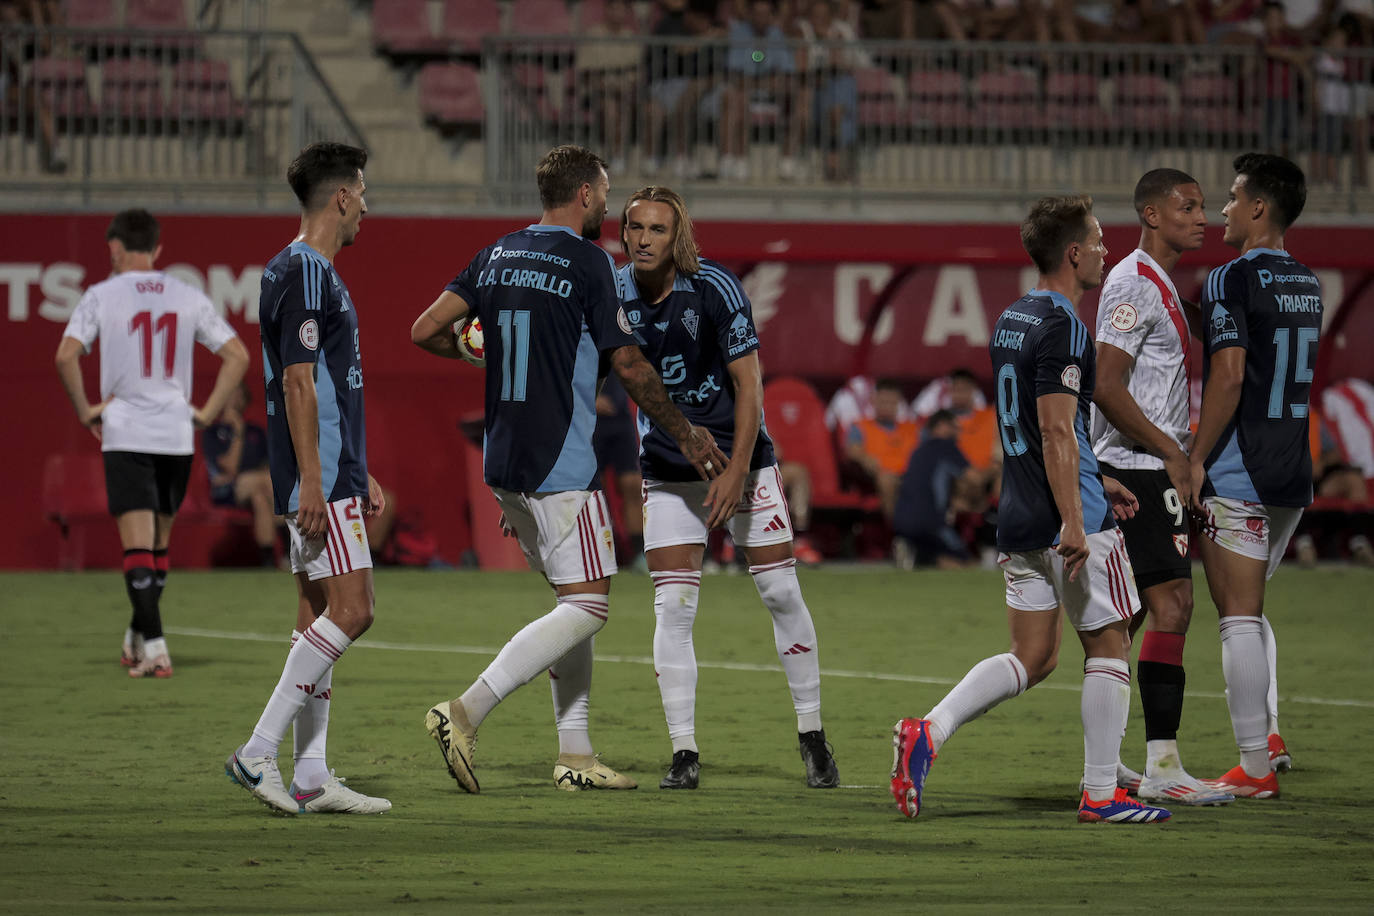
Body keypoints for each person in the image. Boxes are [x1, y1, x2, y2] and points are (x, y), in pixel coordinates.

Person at [410, 146, 726, 795]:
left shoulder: (496, 252)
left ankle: (575, 757)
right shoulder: (589, 263)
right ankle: (465, 710)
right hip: (560, 461)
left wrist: (477, 355)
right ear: (584, 194)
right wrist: (688, 433)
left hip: (502, 462)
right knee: (589, 604)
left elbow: (425, 330)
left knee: (568, 601)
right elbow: (632, 367)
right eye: (606, 195)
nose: (609, 207)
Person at [890, 195, 1172, 824]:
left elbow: (1029, 423)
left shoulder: (1012, 316)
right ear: (1073, 252)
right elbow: (1055, 431)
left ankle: (928, 732)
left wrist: (1098, 478)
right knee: (1109, 643)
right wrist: (1077, 514)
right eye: (1098, 240)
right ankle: (1102, 794)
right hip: (1067, 518)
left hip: (1016, 514)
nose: (1105, 250)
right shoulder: (1067, 326)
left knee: (1035, 655)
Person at [619, 185, 839, 790]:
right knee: (674, 605)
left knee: (779, 592)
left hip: (740, 461)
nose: (643, 239)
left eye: (657, 229)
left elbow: (750, 384)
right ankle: (684, 752)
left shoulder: (715, 288)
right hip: (667, 469)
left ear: (679, 236)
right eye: (634, 227)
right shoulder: (614, 293)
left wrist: (739, 468)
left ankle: (812, 736)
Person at [225, 142, 392, 816]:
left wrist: (359, 466)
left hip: (328, 469)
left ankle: (313, 774)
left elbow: (323, 384)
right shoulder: (306, 272)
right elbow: (297, 380)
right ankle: (258, 751)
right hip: (318, 479)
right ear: (342, 197)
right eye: (364, 195)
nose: (366, 210)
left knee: (316, 616)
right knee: (355, 611)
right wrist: (319, 483)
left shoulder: (295, 271)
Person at [1089, 168, 1234, 806]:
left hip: (1144, 466)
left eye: (1204, 207)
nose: (1203, 217)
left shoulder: (1163, 283)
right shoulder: (1132, 282)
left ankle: (1111, 760)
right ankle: (1162, 766)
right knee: (1173, 606)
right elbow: (1106, 384)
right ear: (1151, 214)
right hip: (1141, 468)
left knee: (1132, 617)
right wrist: (1174, 452)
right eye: (1187, 207)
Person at [55, 208, 248, 679]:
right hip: (176, 434)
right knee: (158, 546)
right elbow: (237, 355)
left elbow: (65, 356)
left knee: (139, 547)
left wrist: (85, 409)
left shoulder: (101, 295)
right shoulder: (186, 294)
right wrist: (204, 412)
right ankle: (138, 635)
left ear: (116, 249)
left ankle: (156, 648)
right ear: (158, 249)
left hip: (127, 433)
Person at [1191, 153, 1322, 798]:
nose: (1223, 208)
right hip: (1292, 469)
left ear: (1259, 208)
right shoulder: (1309, 282)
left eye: (1233, 196)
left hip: (1240, 470)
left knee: (1237, 616)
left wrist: (1193, 456)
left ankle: (1254, 767)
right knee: (1254, 606)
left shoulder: (1229, 278)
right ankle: (1268, 734)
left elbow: (1230, 373)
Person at [892, 409, 981, 569]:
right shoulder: (946, 447)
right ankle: (922, 556)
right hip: (931, 522)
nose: (958, 432)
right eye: (955, 427)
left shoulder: (917, 451)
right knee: (967, 563)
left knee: (936, 556)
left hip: (901, 519)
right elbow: (975, 478)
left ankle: (915, 553)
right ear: (941, 426)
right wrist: (995, 469)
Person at [203, 382, 278, 567]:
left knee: (260, 498)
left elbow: (269, 466)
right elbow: (230, 469)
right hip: (226, 490)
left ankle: (268, 561)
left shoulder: (257, 432)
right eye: (230, 395)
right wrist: (238, 431)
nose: (234, 400)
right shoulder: (212, 432)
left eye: (239, 396)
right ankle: (287, 534)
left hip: (259, 489)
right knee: (266, 483)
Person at [592, 374, 647, 570]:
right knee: (593, 492)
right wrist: (588, 398)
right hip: (590, 419)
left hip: (620, 416)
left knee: (632, 484)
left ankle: (639, 553)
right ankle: (599, 552)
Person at [845, 377, 919, 519]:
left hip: (908, 477)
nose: (887, 406)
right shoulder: (860, 427)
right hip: (877, 479)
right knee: (887, 481)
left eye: (891, 402)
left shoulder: (911, 429)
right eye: (883, 401)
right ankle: (900, 533)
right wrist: (866, 459)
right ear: (874, 401)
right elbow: (853, 451)